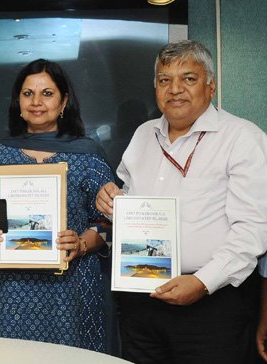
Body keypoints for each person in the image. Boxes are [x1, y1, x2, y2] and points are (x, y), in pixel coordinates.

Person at [96, 40, 267, 363]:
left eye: (188, 78)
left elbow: (254, 229)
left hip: (213, 304)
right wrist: (114, 202)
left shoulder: (243, 138)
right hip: (142, 298)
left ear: (211, 85)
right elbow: (133, 204)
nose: (175, 89)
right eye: (164, 80)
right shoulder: (144, 135)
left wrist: (203, 282)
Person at [0, 59, 113, 353]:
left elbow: (106, 222)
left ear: (64, 102)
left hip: (70, 287)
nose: (36, 102)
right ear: (18, 102)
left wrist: (82, 244)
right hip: (10, 291)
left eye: (47, 93)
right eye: (28, 94)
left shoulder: (87, 154)